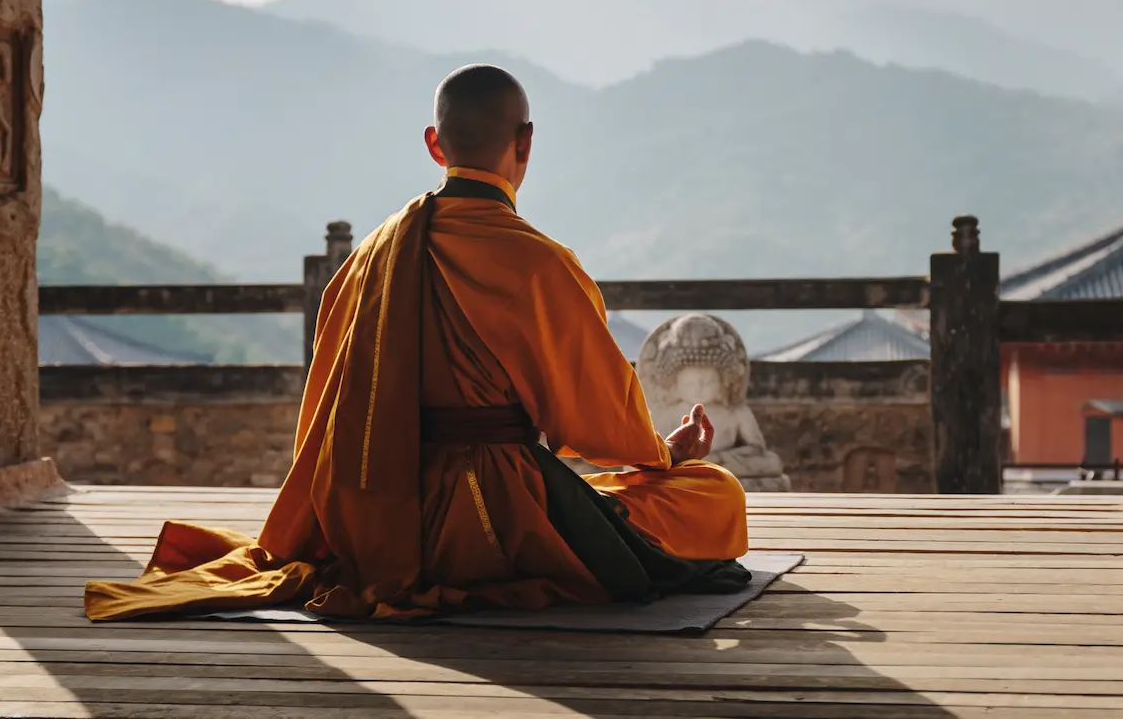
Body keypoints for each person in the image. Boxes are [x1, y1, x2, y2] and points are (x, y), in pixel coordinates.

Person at [84, 65, 752, 621]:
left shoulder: (370, 257)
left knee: (613, 492)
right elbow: (596, 419)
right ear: (525, 143)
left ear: (435, 145)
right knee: (710, 493)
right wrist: (663, 453)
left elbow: (323, 411)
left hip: (366, 513)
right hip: (495, 517)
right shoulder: (538, 263)